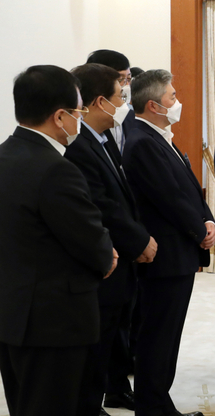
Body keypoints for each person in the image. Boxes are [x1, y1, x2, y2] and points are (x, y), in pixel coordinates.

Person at [0, 65, 117, 416]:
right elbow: (89, 238)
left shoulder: (5, 155)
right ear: (60, 116)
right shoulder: (56, 168)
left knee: (24, 403)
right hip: (54, 321)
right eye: (79, 112)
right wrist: (106, 256)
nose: (80, 121)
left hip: (12, 313)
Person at [65, 63, 157, 416]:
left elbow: (124, 196)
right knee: (96, 343)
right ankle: (90, 404)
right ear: (100, 101)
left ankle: (113, 391)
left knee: (116, 335)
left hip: (123, 261)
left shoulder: (103, 138)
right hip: (107, 260)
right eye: (122, 95)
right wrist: (139, 241)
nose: (126, 103)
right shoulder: (79, 146)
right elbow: (102, 206)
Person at [124, 69, 215, 416]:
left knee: (169, 332)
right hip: (163, 255)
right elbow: (169, 197)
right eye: (172, 98)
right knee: (158, 334)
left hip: (180, 249)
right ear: (153, 105)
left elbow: (189, 188)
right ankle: (153, 405)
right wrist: (199, 229)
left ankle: (159, 401)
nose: (178, 103)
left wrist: (206, 218)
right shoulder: (141, 141)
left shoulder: (160, 134)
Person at [87, 49, 136, 156]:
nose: (126, 85)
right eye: (120, 79)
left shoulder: (131, 116)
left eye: (128, 78)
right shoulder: (89, 123)